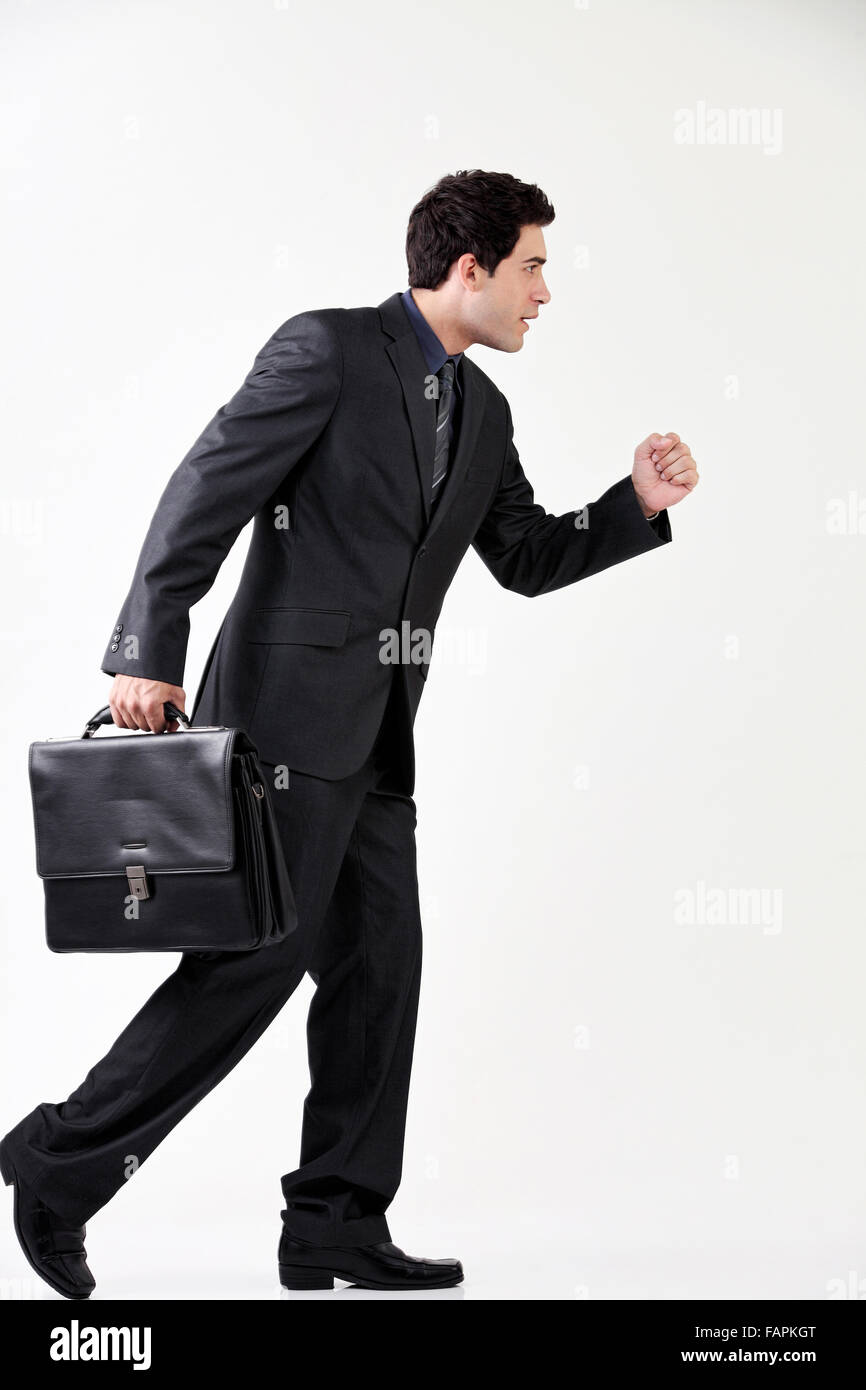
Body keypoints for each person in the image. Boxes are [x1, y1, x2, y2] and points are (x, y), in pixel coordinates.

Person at [0, 169, 698, 1298]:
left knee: (381, 973)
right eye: (531, 266)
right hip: (277, 727)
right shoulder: (325, 350)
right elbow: (205, 489)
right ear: (468, 268)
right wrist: (145, 647)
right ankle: (59, 1164)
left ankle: (333, 1220)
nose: (543, 293)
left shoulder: (481, 411)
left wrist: (632, 507)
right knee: (249, 970)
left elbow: (520, 558)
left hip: (380, 747)